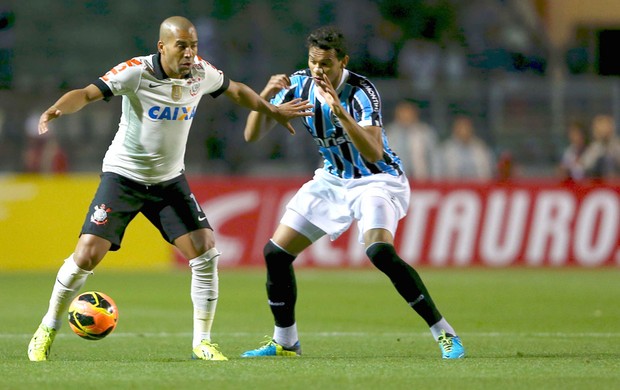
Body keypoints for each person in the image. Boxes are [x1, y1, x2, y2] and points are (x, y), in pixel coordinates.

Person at [27, 16, 311, 362]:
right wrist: (58, 108)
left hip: (168, 180)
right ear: (162, 47)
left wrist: (271, 110)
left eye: (193, 45)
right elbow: (87, 93)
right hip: (124, 176)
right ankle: (46, 329)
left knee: (205, 250)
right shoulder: (136, 71)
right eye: (182, 46)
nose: (190, 53)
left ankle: (202, 342)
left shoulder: (201, 73)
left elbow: (235, 89)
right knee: (87, 253)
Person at [241, 26, 465, 359]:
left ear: (342, 62)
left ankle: (445, 333)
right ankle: (286, 341)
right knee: (275, 253)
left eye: (326, 64)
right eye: (314, 62)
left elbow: (373, 152)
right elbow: (251, 135)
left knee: (379, 252)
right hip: (332, 180)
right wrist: (264, 100)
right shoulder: (299, 83)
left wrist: (339, 112)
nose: (319, 70)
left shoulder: (361, 91)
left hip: (377, 180)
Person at [384, 100, 440, 180]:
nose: (406, 115)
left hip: (422, 179)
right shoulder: (388, 133)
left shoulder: (425, 132)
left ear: (415, 114)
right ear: (397, 114)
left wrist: (436, 179)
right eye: (403, 112)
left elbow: (434, 158)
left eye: (409, 112)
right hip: (395, 180)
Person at [438, 114, 495, 180]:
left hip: (478, 187)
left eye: (466, 127)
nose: (464, 130)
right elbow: (439, 174)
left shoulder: (481, 148)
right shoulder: (445, 149)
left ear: (472, 129)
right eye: (461, 127)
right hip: (453, 187)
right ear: (455, 129)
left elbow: (489, 172)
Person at [580, 114, 620, 179]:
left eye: (606, 126)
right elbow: (585, 165)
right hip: (599, 185)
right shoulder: (594, 147)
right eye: (601, 127)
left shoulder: (617, 145)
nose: (604, 130)